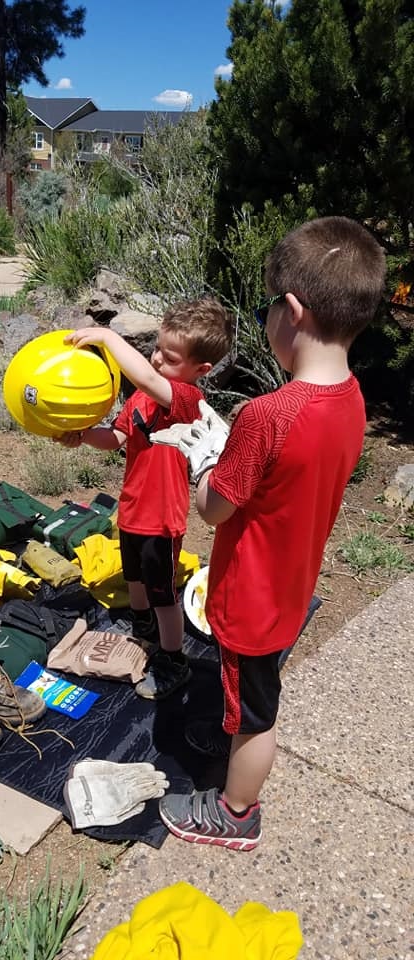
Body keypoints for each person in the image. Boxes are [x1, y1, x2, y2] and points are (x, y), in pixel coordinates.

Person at [158, 216, 386, 849]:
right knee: (251, 698)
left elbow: (215, 510)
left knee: (256, 715)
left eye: (266, 307)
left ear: (290, 310)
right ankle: (235, 745)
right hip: (289, 585)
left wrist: (204, 457)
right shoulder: (351, 397)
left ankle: (235, 812)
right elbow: (287, 478)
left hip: (252, 596)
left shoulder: (266, 415)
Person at [57, 298, 233, 699]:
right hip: (132, 512)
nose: (155, 361)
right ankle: (141, 627)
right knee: (134, 577)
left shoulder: (187, 400)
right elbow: (116, 438)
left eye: (168, 357)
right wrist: (83, 435)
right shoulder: (140, 400)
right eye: (155, 349)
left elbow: (150, 381)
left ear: (199, 370)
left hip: (162, 520)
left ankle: (173, 659)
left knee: (163, 594)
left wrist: (105, 336)